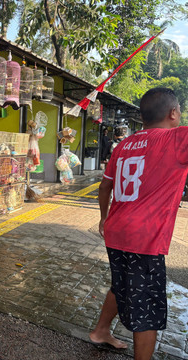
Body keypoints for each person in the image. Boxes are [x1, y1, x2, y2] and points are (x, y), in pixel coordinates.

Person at [89, 88, 185, 360]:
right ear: (173, 113)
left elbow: (104, 186)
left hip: (116, 230)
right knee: (147, 308)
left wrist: (103, 217)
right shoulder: (177, 138)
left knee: (121, 285)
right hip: (144, 238)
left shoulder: (124, 145)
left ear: (142, 117)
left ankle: (101, 331)